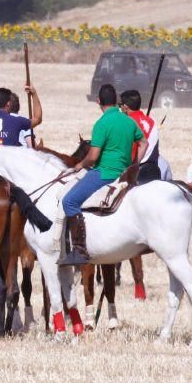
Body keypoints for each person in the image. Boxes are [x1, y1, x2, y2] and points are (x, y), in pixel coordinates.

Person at [59, 84, 146, 266]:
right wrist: (134, 165)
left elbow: (93, 156)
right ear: (116, 102)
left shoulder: (102, 123)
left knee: (69, 201)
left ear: (98, 101)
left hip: (104, 174)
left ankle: (79, 249)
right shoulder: (130, 121)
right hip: (124, 174)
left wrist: (79, 165)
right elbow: (143, 143)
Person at [0, 86, 43, 154]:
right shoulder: (17, 121)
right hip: (9, 163)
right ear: (8, 104)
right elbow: (38, 119)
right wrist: (34, 94)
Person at [119, 89, 161, 183]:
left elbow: (130, 153)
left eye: (120, 105)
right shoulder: (151, 121)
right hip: (154, 170)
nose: (119, 108)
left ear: (125, 107)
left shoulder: (128, 123)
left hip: (136, 174)